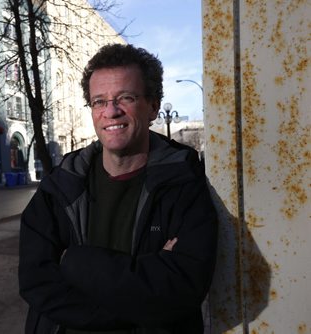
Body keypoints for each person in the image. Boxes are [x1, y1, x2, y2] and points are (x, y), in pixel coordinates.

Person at [18, 43, 217, 334]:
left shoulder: (184, 184)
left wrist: (74, 262)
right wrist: (140, 293)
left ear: (153, 106)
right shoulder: (61, 185)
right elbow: (36, 282)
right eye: (99, 101)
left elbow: (183, 287)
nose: (111, 111)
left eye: (126, 97)